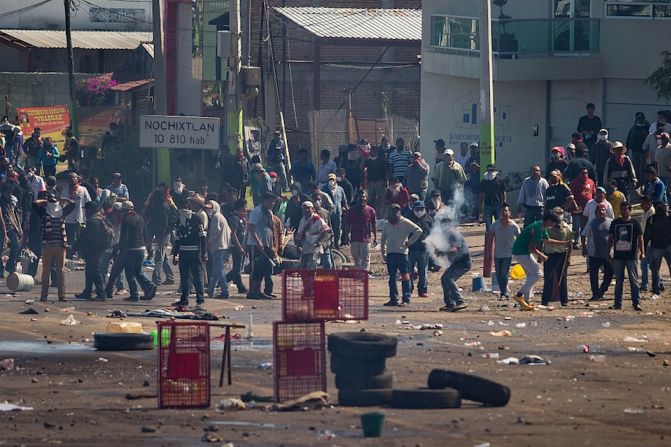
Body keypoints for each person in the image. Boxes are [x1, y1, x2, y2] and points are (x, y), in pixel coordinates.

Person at [511, 212, 571, 310]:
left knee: (531, 276)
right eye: (552, 223)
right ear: (548, 221)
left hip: (522, 252)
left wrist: (564, 243)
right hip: (521, 252)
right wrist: (542, 255)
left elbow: (548, 240)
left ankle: (525, 302)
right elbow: (532, 247)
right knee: (538, 274)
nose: (552, 226)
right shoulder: (538, 228)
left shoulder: (541, 226)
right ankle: (519, 295)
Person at [32, 192, 75, 302]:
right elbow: (73, 204)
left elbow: (34, 204)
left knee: (50, 271)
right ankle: (57, 296)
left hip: (51, 246)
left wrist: (49, 201)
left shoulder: (45, 212)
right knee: (57, 271)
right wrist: (61, 199)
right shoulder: (60, 212)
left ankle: (49, 296)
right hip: (55, 246)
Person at [380, 204, 422, 307]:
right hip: (390, 254)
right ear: (389, 212)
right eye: (393, 211)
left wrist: (409, 242)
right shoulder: (386, 224)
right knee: (392, 277)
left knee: (405, 276)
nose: (396, 213)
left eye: (398, 211)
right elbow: (383, 240)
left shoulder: (405, 222)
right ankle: (393, 299)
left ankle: (406, 299)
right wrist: (383, 253)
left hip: (402, 254)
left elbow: (418, 230)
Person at [607, 202, 644, 311]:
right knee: (619, 281)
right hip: (618, 257)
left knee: (634, 280)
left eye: (625, 209)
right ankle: (618, 303)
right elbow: (610, 239)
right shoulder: (615, 223)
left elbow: (640, 238)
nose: (623, 212)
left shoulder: (635, 223)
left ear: (630, 210)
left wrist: (642, 252)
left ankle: (636, 302)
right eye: (621, 209)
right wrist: (608, 252)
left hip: (631, 256)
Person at [118, 201, 157, 302]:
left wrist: (121, 250)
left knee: (129, 273)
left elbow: (124, 238)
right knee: (138, 271)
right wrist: (147, 248)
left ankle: (134, 294)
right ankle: (149, 286)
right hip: (141, 248)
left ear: (124, 210)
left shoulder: (126, 220)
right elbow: (145, 234)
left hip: (131, 249)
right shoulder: (140, 218)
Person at [74, 202, 113, 301]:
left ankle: (101, 293)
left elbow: (86, 237)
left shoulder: (93, 221)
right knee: (89, 270)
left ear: (90, 210)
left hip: (93, 250)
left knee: (95, 271)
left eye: (86, 209)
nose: (85, 212)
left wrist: (75, 247)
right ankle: (87, 291)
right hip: (98, 249)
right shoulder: (102, 218)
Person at [434, 218, 472, 312]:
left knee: (448, 279)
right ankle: (450, 303)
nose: (443, 228)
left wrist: (442, 251)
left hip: (463, 262)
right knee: (444, 279)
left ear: (450, 225)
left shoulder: (454, 234)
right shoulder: (447, 236)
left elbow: (455, 249)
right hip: (457, 263)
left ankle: (460, 301)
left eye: (445, 226)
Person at [245, 192, 277, 299]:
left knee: (263, 268)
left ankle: (258, 291)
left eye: (273, 201)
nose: (272, 203)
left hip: (266, 244)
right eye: (270, 201)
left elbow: (271, 230)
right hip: (255, 244)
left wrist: (272, 245)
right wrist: (258, 241)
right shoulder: (256, 212)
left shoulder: (270, 213)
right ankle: (252, 291)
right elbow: (251, 228)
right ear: (264, 200)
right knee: (256, 268)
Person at [581, 203, 614, 301]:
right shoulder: (591, 223)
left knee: (610, 273)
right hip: (594, 253)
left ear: (606, 212)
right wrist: (584, 248)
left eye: (603, 210)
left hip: (608, 254)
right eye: (599, 210)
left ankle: (602, 290)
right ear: (596, 213)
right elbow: (583, 235)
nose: (601, 212)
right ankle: (595, 293)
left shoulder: (611, 223)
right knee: (593, 275)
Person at [541, 207, 573, 306]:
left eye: (560, 214)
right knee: (548, 278)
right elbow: (542, 241)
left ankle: (564, 301)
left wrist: (568, 258)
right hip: (549, 254)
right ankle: (545, 301)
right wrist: (540, 254)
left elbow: (570, 244)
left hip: (561, 255)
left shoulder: (567, 228)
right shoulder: (547, 227)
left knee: (562, 279)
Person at [144, 189, 175, 286]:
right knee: (163, 256)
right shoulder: (161, 206)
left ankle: (156, 278)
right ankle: (170, 277)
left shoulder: (162, 207)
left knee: (159, 257)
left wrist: (159, 236)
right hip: (162, 234)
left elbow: (164, 224)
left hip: (163, 234)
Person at [488, 204, 520, 299]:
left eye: (506, 211)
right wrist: (489, 252)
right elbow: (490, 238)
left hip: (508, 253)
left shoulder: (514, 226)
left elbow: (520, 238)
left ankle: (503, 292)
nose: (504, 213)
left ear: (510, 213)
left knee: (504, 272)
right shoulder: (495, 225)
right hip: (497, 253)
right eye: (503, 211)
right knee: (498, 274)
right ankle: (503, 292)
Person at [342, 191, 377, 272]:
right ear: (356, 198)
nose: (361, 198)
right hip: (354, 239)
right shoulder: (351, 211)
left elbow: (374, 224)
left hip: (366, 239)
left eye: (363, 197)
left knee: (365, 258)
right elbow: (347, 224)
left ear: (366, 198)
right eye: (359, 197)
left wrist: (375, 237)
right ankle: (358, 274)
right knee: (356, 259)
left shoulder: (371, 210)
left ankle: (365, 275)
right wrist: (346, 236)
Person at [61, 172, 92, 259]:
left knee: (79, 236)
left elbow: (88, 202)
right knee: (70, 237)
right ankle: (70, 254)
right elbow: (62, 204)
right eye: (70, 178)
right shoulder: (65, 190)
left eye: (74, 178)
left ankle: (78, 254)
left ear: (77, 179)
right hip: (68, 218)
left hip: (80, 217)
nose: (72, 179)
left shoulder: (83, 189)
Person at [206, 201, 232, 299]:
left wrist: (208, 243)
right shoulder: (221, 217)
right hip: (223, 246)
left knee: (219, 270)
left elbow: (214, 233)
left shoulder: (216, 217)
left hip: (217, 247)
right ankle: (211, 289)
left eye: (210, 208)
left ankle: (225, 291)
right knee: (216, 270)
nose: (208, 210)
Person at [407, 200, 433, 298]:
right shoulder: (408, 218)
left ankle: (422, 290)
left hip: (424, 250)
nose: (419, 211)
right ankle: (408, 290)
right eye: (417, 209)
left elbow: (433, 233)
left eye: (422, 209)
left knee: (423, 272)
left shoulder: (429, 219)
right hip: (411, 249)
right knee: (409, 271)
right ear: (413, 209)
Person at [296, 201, 332, 269]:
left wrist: (319, 242)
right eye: (304, 208)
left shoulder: (317, 219)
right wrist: (298, 246)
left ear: (312, 209)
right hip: (305, 247)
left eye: (308, 208)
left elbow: (326, 231)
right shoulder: (302, 220)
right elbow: (300, 233)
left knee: (311, 267)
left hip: (314, 248)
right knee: (303, 267)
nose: (306, 210)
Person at [570, 168, 596, 248]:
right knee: (576, 226)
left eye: (586, 173)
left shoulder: (591, 182)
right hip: (577, 208)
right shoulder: (574, 182)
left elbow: (594, 193)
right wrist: (574, 206)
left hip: (588, 208)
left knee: (587, 225)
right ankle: (576, 241)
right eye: (583, 173)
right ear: (579, 174)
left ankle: (587, 242)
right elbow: (571, 195)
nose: (584, 174)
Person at [0, 184, 22, 277]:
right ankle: (0, 271)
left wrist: (19, 228)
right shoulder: (1, 202)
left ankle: (10, 266)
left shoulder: (11, 202)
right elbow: (1, 218)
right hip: (2, 228)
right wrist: (4, 233)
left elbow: (14, 215)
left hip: (11, 227)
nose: (9, 194)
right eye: (8, 192)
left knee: (15, 246)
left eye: (10, 192)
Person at [322, 173, 347, 248]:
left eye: (332, 179)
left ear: (335, 180)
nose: (331, 181)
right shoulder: (324, 189)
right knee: (329, 229)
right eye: (330, 179)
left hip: (338, 212)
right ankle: (330, 245)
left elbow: (344, 200)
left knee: (338, 229)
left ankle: (337, 244)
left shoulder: (340, 189)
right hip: (328, 213)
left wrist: (346, 208)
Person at [480, 164, 507, 231]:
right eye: (489, 170)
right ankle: (489, 240)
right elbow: (481, 194)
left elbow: (503, 192)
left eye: (492, 170)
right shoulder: (484, 181)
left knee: (499, 225)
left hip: (498, 205)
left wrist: (504, 204)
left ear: (495, 171)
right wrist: (480, 206)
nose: (490, 172)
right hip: (487, 205)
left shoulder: (500, 181)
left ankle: (499, 239)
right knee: (488, 226)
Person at [627, 112, 651, 181]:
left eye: (641, 118)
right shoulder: (633, 128)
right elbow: (629, 138)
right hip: (635, 151)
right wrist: (627, 149)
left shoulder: (648, 128)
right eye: (638, 118)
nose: (639, 120)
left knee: (643, 167)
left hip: (643, 151)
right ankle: (636, 180)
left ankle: (642, 181)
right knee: (635, 167)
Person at [364, 146, 388, 214]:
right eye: (371, 150)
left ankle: (380, 214)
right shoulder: (367, 160)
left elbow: (386, 172)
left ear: (377, 152)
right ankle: (372, 213)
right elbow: (362, 168)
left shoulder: (382, 160)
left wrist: (386, 182)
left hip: (380, 182)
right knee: (370, 200)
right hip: (370, 182)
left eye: (374, 151)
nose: (373, 152)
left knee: (381, 200)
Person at [654, 132, 671, 200]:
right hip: (660, 174)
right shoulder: (658, 148)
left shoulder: (670, 148)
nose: (660, 140)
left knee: (669, 192)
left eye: (662, 139)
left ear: (666, 139)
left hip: (668, 175)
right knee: (662, 192)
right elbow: (656, 161)